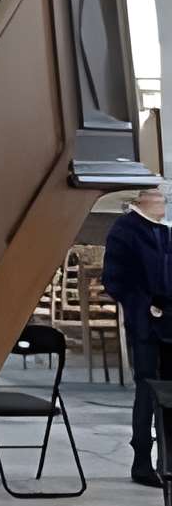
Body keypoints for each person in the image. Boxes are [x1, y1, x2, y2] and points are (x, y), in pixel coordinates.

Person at [101, 180, 172, 486]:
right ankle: (142, 461)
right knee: (147, 389)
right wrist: (146, 307)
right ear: (141, 199)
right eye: (158, 196)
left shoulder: (166, 231)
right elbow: (116, 280)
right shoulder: (125, 230)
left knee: (169, 393)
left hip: (170, 321)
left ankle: (167, 460)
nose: (163, 202)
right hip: (145, 322)